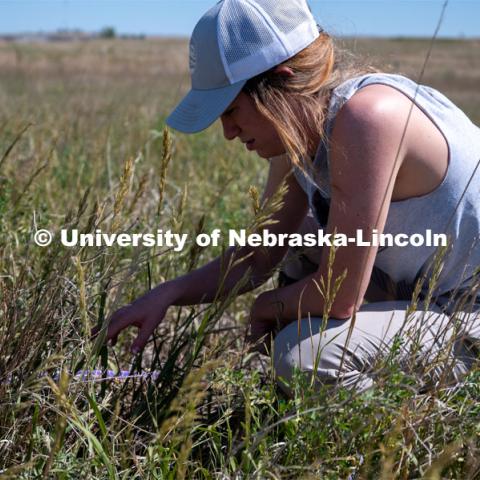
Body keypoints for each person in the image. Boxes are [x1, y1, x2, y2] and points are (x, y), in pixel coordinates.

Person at [101, 0, 480, 395]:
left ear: (281, 84)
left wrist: (265, 307)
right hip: (432, 294)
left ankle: (423, 433)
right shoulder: (301, 135)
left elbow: (338, 294)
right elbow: (260, 255)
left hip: (470, 310)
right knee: (300, 240)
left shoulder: (369, 118)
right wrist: (168, 292)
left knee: (305, 358)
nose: (228, 132)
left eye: (231, 111)